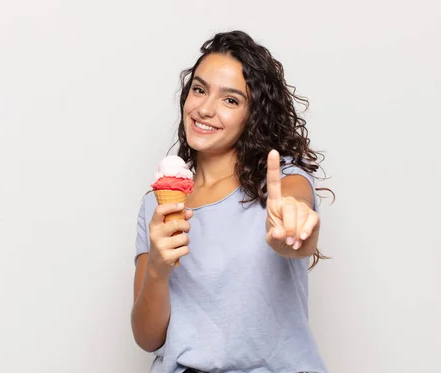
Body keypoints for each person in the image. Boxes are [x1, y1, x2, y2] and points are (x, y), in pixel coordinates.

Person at [132, 30, 333, 373]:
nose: (205, 109)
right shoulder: (157, 205)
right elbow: (148, 338)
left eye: (230, 100)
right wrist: (157, 271)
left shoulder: (282, 179)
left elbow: (298, 221)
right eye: (199, 89)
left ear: (252, 115)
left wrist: (295, 227)